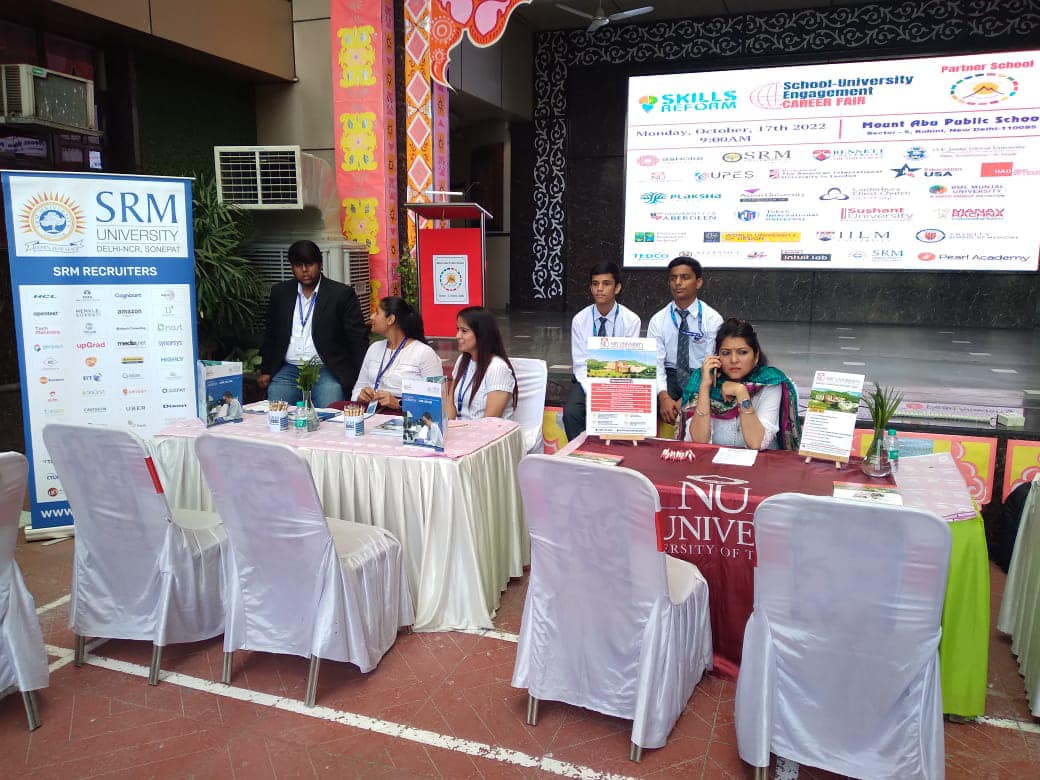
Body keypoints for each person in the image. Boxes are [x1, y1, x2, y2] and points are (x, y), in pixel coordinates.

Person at [258, 240, 368, 409]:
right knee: (277, 411)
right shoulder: (280, 292)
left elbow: (357, 338)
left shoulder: (341, 294)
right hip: (290, 368)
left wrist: (362, 378)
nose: (304, 270)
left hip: (326, 369)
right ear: (292, 267)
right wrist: (266, 369)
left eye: (309, 264)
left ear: (320, 264)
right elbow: (271, 333)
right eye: (298, 265)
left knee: (331, 410)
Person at [679, 318, 801, 450]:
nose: (734, 360)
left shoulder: (769, 382)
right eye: (726, 353)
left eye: (742, 352)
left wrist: (741, 392)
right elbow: (698, 441)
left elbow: (756, 443)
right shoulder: (702, 379)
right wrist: (704, 387)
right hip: (716, 460)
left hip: (760, 461)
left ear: (756, 357)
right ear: (717, 357)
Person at [562, 261, 642, 440]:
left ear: (617, 288)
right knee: (572, 412)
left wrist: (606, 391)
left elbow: (628, 362)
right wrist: (593, 391)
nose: (599, 289)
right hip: (586, 379)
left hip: (619, 379)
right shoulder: (580, 320)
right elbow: (580, 364)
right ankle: (581, 452)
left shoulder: (631, 320)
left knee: (621, 412)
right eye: (595, 284)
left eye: (606, 284)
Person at [646, 257, 724, 424]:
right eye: (673, 278)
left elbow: (711, 365)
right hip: (669, 376)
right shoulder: (658, 320)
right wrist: (663, 397)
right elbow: (655, 364)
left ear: (698, 282)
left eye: (685, 277)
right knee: (645, 402)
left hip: (699, 376)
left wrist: (686, 398)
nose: (678, 283)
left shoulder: (712, 319)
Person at [352, 296, 442, 411]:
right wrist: (360, 396)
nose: (371, 317)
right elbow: (358, 388)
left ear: (390, 319)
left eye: (377, 313)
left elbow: (437, 400)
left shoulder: (424, 353)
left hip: (407, 418)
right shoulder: (374, 348)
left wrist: (400, 403)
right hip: (372, 414)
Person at [447, 306, 518, 421]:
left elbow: (489, 422)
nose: (457, 336)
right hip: (460, 429)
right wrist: (448, 427)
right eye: (458, 329)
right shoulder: (462, 360)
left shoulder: (497, 368)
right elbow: (450, 402)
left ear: (481, 334)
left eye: (464, 331)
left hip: (487, 431)